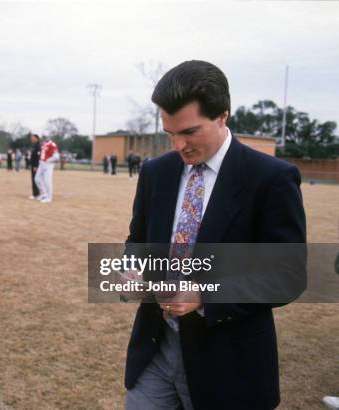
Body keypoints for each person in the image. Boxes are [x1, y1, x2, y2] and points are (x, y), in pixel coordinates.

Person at [123, 60, 306, 410]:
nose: (178, 145)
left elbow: (287, 274)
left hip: (227, 364)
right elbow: (138, 242)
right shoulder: (155, 172)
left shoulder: (271, 178)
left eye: (189, 131)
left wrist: (205, 295)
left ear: (222, 115)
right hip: (155, 351)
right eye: (169, 133)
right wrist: (132, 271)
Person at [34, 135, 59, 203]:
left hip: (48, 164)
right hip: (41, 163)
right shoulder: (44, 144)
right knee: (37, 179)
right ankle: (43, 194)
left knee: (47, 180)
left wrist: (48, 160)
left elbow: (56, 156)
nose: (44, 138)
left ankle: (49, 197)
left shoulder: (52, 144)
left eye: (45, 137)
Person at [29, 134, 41, 199]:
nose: (31, 139)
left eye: (32, 138)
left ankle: (37, 194)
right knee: (33, 179)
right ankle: (35, 194)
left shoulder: (38, 146)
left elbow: (38, 157)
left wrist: (36, 166)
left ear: (36, 138)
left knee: (36, 179)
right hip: (33, 165)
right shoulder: (34, 146)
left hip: (36, 166)